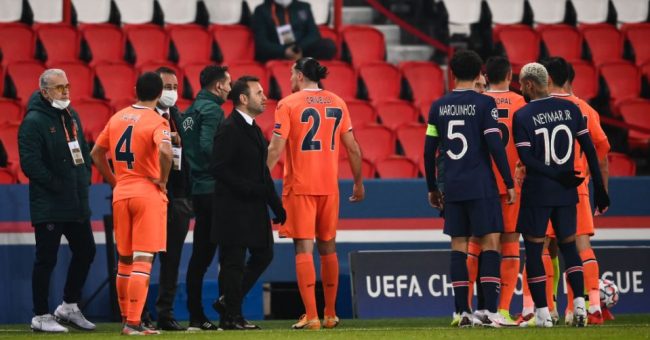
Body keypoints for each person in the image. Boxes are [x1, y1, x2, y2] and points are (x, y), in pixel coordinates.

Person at [267, 57, 365, 330]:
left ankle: (311, 316)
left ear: (299, 75)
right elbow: (354, 148)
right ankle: (331, 313)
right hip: (329, 187)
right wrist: (358, 183)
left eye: (290, 74)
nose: (289, 80)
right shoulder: (337, 101)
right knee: (328, 246)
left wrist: (260, 178)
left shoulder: (288, 104)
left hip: (300, 186)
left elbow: (275, 148)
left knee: (303, 247)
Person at [512, 62, 609, 328]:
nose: (521, 90)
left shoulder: (523, 115)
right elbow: (590, 149)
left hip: (539, 192)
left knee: (534, 250)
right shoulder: (571, 109)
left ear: (530, 84)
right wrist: (599, 189)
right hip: (569, 191)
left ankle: (541, 312)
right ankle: (580, 306)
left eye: (521, 85)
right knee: (570, 249)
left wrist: (555, 174)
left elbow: (527, 158)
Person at [424, 50, 515, 328]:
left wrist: (432, 187)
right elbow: (495, 145)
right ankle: (488, 312)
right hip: (481, 184)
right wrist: (509, 181)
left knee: (458, 246)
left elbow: (429, 152)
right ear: (479, 74)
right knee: (490, 242)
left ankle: (462, 312)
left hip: (452, 184)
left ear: (452, 73)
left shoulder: (438, 106)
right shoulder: (485, 104)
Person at [91, 72, 172, 335]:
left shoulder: (117, 117)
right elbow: (166, 151)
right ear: (160, 94)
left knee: (125, 262)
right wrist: (162, 179)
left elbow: (96, 153)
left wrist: (114, 180)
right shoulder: (157, 121)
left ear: (135, 89)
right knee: (143, 260)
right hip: (146, 193)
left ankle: (127, 318)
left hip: (122, 192)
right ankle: (134, 323)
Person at [18, 69, 96, 333]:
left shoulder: (72, 115)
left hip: (75, 201)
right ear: (44, 91)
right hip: (50, 204)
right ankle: (40, 314)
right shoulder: (33, 121)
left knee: (87, 251)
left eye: (67, 86)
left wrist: (84, 178)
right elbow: (30, 164)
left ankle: (68, 306)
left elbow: (83, 151)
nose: (65, 91)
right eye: (59, 87)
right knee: (46, 259)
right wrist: (56, 184)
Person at [210, 76, 286, 330]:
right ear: (243, 99)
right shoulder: (230, 128)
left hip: (253, 208)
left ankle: (228, 303)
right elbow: (218, 168)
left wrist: (276, 205)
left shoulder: (253, 128)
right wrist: (249, 189)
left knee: (264, 253)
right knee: (233, 262)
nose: (265, 97)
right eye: (259, 93)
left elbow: (263, 174)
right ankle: (231, 316)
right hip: (233, 208)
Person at [542, 57, 611, 325]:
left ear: (547, 79)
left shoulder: (539, 109)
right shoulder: (585, 110)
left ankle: (548, 309)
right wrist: (602, 191)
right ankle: (589, 306)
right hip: (578, 187)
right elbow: (602, 154)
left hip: (545, 188)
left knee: (546, 247)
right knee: (580, 245)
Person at [178, 65, 231, 331]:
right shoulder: (213, 110)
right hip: (214, 190)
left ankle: (196, 316)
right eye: (229, 84)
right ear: (219, 86)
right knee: (228, 255)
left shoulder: (190, 111)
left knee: (200, 257)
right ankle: (227, 315)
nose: (230, 89)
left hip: (198, 189)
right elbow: (209, 147)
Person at [152, 67, 192, 331]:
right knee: (144, 258)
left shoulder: (178, 116)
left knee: (172, 260)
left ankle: (164, 313)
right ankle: (137, 313)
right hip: (152, 195)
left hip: (178, 199)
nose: (172, 92)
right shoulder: (145, 118)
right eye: (167, 86)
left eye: (175, 86)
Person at [252, 0, 336, 63]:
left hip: (302, 50)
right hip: (278, 52)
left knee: (328, 46)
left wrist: (298, 48)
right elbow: (262, 43)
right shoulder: (261, 10)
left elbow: (314, 34)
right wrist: (284, 51)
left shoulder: (303, 7)